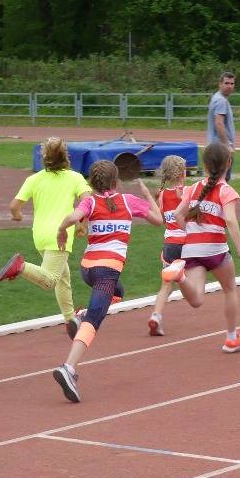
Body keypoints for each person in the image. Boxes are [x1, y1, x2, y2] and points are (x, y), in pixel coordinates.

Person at [52, 160, 164, 402]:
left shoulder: (90, 202)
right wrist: (148, 196)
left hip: (88, 270)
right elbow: (158, 219)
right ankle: (68, 368)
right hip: (107, 271)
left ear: (93, 183)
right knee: (95, 320)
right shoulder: (128, 201)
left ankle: (80, 317)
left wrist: (61, 230)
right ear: (116, 181)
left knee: (118, 292)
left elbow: (74, 216)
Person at [0, 137, 92, 338]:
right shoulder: (75, 178)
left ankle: (70, 319)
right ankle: (20, 267)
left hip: (40, 235)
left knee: (63, 278)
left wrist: (18, 216)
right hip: (61, 235)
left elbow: (14, 206)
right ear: (66, 155)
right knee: (50, 281)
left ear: (44, 157)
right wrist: (82, 224)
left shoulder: (34, 179)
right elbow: (88, 201)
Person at [161, 142, 240, 352]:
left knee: (196, 299)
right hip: (216, 249)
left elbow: (177, 214)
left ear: (204, 164)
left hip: (191, 249)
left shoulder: (192, 188)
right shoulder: (226, 191)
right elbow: (230, 220)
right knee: (230, 289)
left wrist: (189, 231)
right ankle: (231, 338)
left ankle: (180, 277)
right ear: (228, 163)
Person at [134, 155, 188, 336]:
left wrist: (156, 199)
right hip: (187, 245)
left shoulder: (163, 194)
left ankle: (156, 315)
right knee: (195, 282)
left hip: (169, 246)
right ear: (181, 173)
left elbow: (163, 219)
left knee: (166, 286)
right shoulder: (188, 191)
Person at [206, 71, 236, 181]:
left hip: (214, 146)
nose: (229, 86)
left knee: (214, 180)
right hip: (220, 148)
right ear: (220, 84)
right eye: (226, 83)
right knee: (223, 180)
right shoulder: (221, 101)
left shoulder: (216, 98)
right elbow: (219, 123)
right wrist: (227, 145)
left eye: (232, 84)